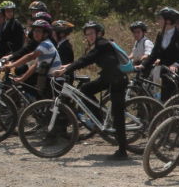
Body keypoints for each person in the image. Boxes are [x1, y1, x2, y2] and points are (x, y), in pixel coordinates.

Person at [52, 21, 129, 160]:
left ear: (99, 33)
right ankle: (99, 118)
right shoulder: (99, 46)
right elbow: (85, 59)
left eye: (92, 33)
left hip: (117, 80)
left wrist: (67, 69)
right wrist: (65, 68)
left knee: (118, 115)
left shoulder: (102, 44)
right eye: (87, 34)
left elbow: (86, 60)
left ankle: (122, 151)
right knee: (85, 90)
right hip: (108, 78)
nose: (90, 36)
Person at [137, 7, 179, 100]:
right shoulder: (160, 34)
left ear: (168, 21)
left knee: (168, 96)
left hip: (175, 72)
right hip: (163, 70)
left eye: (160, 19)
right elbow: (154, 54)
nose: (158, 21)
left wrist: (175, 64)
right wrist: (143, 65)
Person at [3, 20, 61, 96]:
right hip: (48, 78)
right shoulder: (44, 44)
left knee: (27, 86)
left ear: (46, 34)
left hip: (54, 80)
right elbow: (34, 66)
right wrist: (21, 79)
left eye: (38, 31)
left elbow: (30, 56)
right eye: (34, 31)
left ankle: (34, 106)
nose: (35, 33)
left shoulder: (46, 44)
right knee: (24, 82)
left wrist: (11, 65)